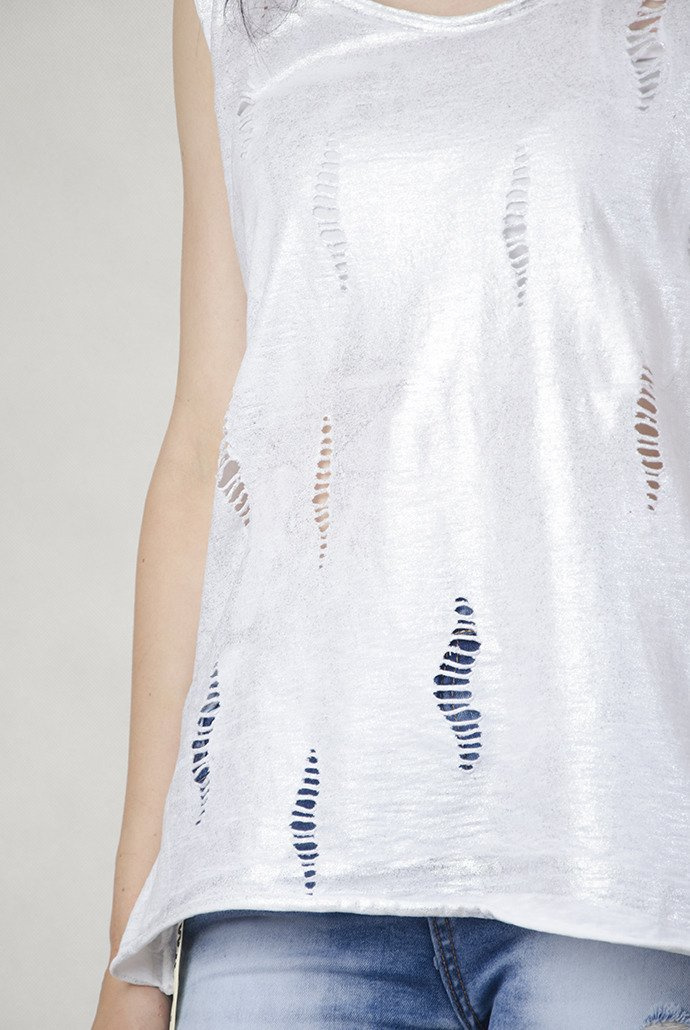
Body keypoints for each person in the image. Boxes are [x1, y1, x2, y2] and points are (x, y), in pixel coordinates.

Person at [92, 0, 690, 1026]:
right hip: (276, 869)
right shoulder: (235, 16)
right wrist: (130, 951)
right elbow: (205, 447)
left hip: (612, 845)